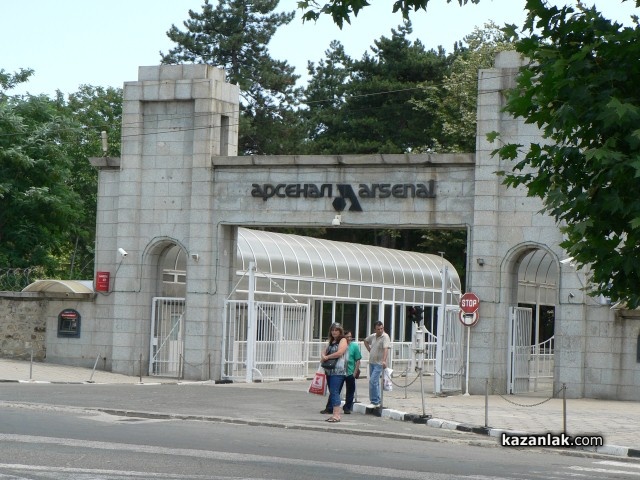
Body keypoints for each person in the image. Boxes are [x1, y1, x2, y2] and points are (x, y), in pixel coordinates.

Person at [320, 323, 348, 423]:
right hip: (329, 370)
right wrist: (323, 355)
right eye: (332, 330)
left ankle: (337, 415)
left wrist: (327, 357)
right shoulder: (331, 341)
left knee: (335, 391)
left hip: (338, 371)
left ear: (340, 331)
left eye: (336, 330)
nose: (334, 332)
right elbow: (324, 351)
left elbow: (340, 353)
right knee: (332, 392)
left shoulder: (343, 340)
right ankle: (334, 414)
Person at [363, 321, 390, 408]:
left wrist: (384, 360)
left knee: (373, 381)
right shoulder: (373, 336)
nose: (380, 330)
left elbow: (386, 349)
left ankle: (374, 401)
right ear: (375, 329)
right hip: (372, 362)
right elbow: (365, 341)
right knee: (375, 382)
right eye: (378, 329)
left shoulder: (385, 337)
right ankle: (377, 400)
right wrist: (369, 349)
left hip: (379, 363)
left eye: (381, 328)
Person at [342, 329, 362, 414]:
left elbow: (358, 360)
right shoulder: (340, 345)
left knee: (350, 391)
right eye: (347, 337)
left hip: (350, 372)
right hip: (340, 372)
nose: (349, 339)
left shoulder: (354, 346)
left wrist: (355, 372)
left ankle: (347, 407)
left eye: (350, 337)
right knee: (336, 390)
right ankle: (331, 407)